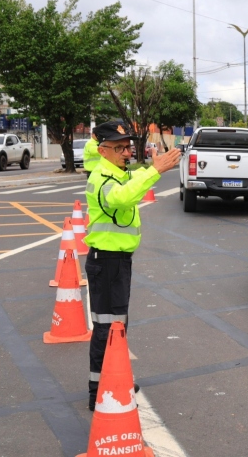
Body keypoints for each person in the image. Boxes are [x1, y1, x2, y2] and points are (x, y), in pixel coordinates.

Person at [83, 121, 182, 411]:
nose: (127, 152)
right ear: (103, 150)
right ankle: (97, 391)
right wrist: (155, 170)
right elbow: (121, 197)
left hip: (117, 262)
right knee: (106, 328)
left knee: (117, 326)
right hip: (107, 263)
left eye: (127, 147)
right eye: (120, 148)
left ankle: (114, 381)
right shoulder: (102, 177)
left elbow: (131, 185)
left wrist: (150, 169)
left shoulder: (117, 172)